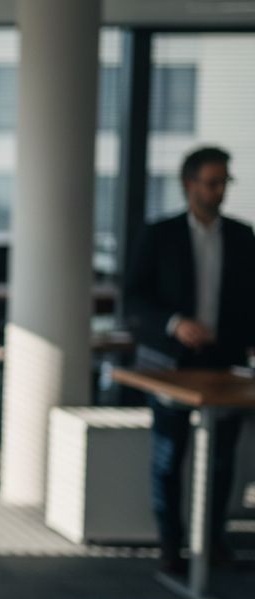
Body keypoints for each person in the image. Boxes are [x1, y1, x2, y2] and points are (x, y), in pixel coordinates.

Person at [124, 146, 255, 576]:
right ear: (189, 184)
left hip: (225, 366)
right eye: (212, 182)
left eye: (224, 183)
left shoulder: (241, 236)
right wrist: (174, 323)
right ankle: (171, 545)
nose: (219, 191)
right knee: (168, 457)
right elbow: (134, 301)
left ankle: (212, 539)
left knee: (221, 459)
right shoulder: (159, 235)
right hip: (170, 364)